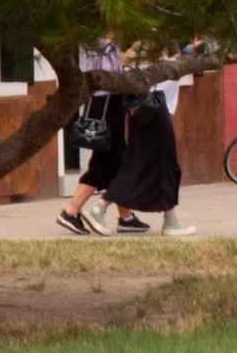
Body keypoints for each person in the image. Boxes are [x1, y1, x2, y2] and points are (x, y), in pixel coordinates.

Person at [102, 72, 195, 236]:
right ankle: (100, 206)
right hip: (152, 105)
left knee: (150, 164)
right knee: (162, 163)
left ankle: (169, 218)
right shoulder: (144, 61)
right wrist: (174, 60)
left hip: (146, 105)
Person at [59, 40, 126, 237]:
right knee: (105, 161)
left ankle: (126, 216)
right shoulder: (109, 45)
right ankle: (71, 211)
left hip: (99, 102)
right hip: (108, 104)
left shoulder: (96, 42)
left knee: (120, 159)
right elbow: (107, 74)